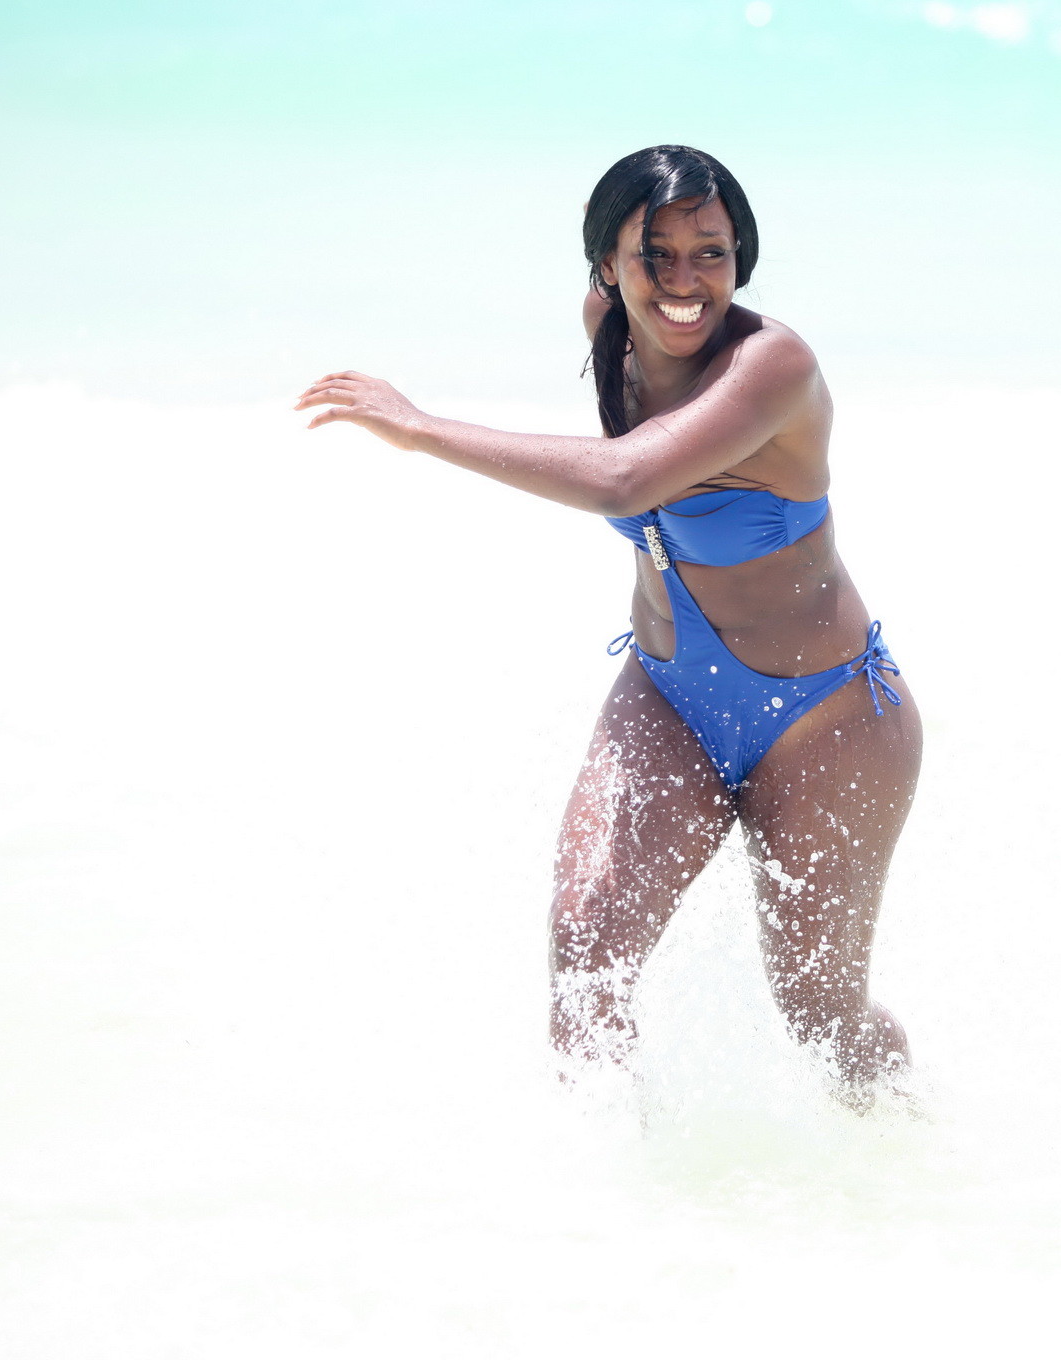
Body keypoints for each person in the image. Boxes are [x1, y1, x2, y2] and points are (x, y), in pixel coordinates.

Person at [296, 145, 920, 1088]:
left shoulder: (772, 363)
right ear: (605, 265)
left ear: (740, 257)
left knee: (819, 1016)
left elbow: (625, 478)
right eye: (652, 255)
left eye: (709, 252)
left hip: (824, 718)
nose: (683, 281)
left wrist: (421, 429)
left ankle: (902, 1164)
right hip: (669, 686)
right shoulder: (610, 332)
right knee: (587, 946)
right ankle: (613, 1211)